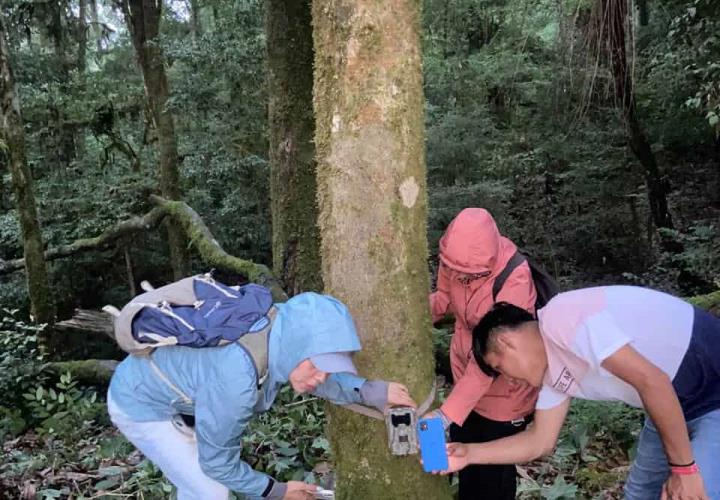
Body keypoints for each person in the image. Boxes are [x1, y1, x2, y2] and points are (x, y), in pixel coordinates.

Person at [107, 292, 416, 500]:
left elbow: (311, 375)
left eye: (329, 367)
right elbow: (218, 464)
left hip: (189, 398)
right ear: (299, 349)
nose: (322, 376)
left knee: (197, 486)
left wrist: (369, 390)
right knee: (210, 490)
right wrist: (277, 490)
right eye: (320, 365)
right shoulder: (237, 379)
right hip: (141, 405)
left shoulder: (279, 329)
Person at [444, 286, 720, 500]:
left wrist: (684, 469)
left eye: (499, 367)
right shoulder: (554, 372)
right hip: (672, 406)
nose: (509, 380)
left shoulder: (559, 317)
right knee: (640, 493)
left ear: (507, 342)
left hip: (712, 390)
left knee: (694, 491)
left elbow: (652, 381)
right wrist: (468, 453)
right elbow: (540, 441)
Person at [426, 208, 539, 500]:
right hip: (464, 384)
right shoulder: (452, 261)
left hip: (504, 394)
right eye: (455, 271)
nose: (460, 277)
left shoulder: (514, 279)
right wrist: (408, 316)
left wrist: (446, 415)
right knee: (465, 467)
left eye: (470, 275)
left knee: (492, 478)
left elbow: (493, 358)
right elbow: (442, 300)